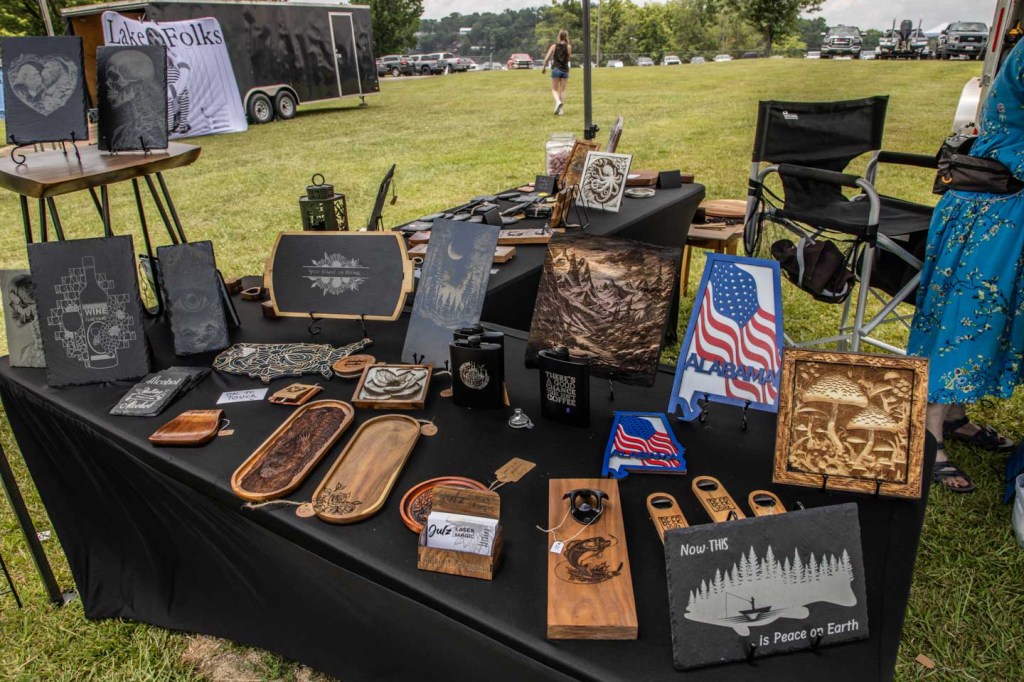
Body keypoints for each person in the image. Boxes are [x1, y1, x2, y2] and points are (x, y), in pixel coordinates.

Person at [906, 38, 1024, 493]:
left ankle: (953, 417)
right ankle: (928, 435)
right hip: (993, 206)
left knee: (991, 321)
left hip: (1006, 204)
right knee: (966, 322)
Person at [541, 30, 571, 115]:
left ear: (559, 36)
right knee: (562, 90)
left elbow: (546, 58)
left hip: (556, 69)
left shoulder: (553, 46)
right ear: (566, 37)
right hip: (565, 70)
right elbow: (568, 58)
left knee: (554, 89)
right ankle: (561, 110)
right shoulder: (568, 47)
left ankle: (558, 102)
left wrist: (544, 67)